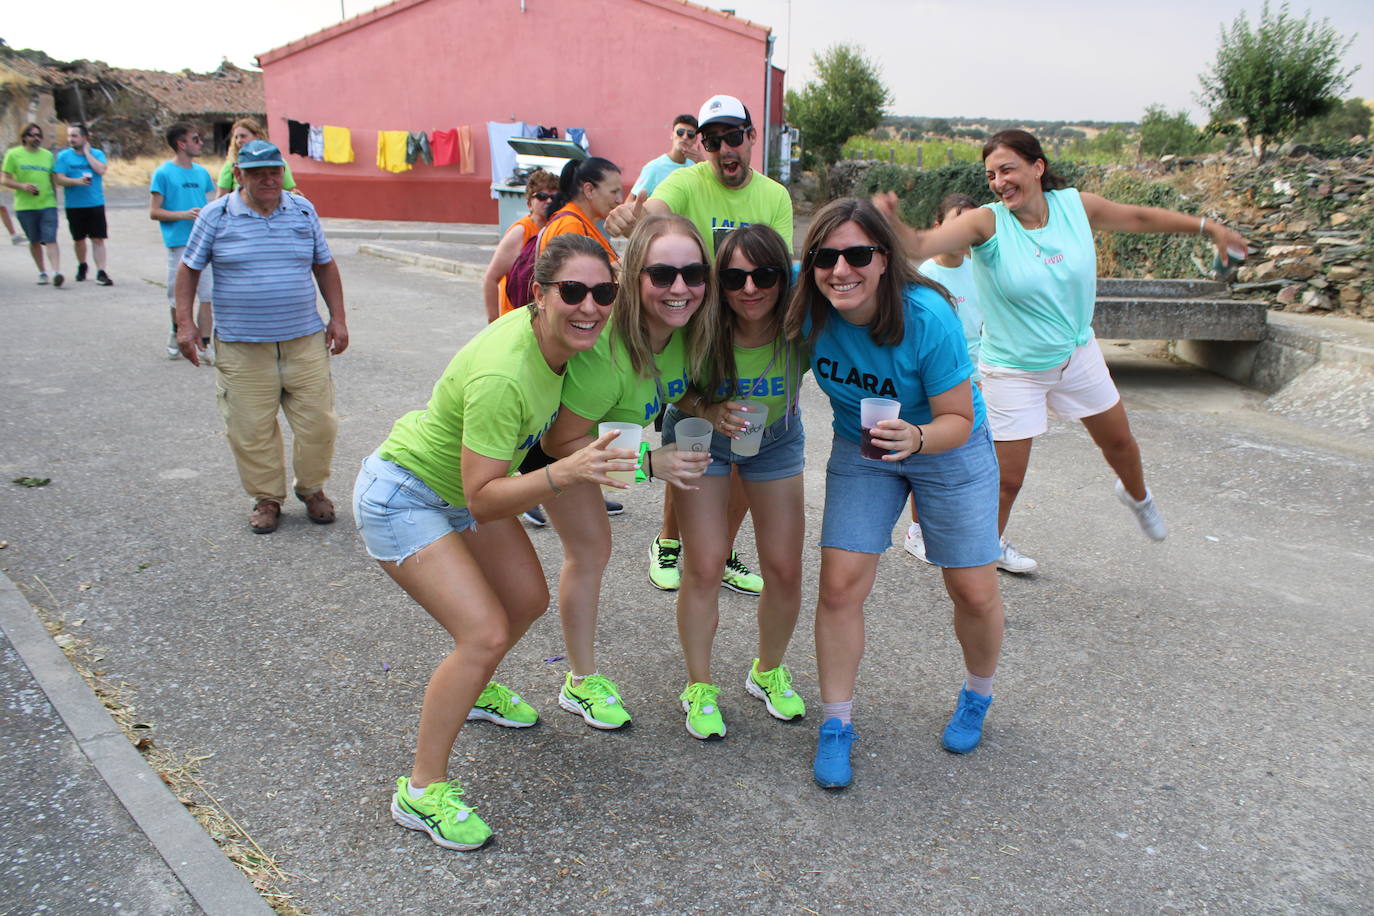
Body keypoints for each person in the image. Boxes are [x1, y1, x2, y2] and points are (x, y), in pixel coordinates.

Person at [354, 235, 636, 851]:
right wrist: (566, 472)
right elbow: (482, 498)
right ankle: (421, 790)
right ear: (538, 293)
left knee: (526, 599)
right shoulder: (507, 374)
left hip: (457, 491)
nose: (590, 306)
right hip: (405, 495)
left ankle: (475, 690)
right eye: (573, 291)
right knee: (481, 633)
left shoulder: (563, 343)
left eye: (603, 292)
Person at [876, 129, 1250, 571]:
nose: (999, 182)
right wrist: (892, 221)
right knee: (1007, 481)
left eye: (1008, 169)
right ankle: (980, 559)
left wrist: (1209, 228)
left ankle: (1138, 497)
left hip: (1076, 354)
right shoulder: (988, 222)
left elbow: (1140, 218)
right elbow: (920, 244)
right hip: (1013, 369)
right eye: (991, 175)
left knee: (1120, 443)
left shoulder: (1076, 206)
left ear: (1038, 167)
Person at [784, 197, 1007, 789]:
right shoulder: (808, 304)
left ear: (884, 258)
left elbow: (958, 417)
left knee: (973, 590)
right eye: (825, 257)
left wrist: (918, 437)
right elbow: (735, 280)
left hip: (946, 443)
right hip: (864, 447)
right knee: (839, 585)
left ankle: (977, 694)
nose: (840, 270)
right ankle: (836, 723)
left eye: (858, 255)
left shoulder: (927, 315)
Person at [606, 93, 792, 598]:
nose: (724, 148)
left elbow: (776, 263)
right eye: (712, 141)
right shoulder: (688, 181)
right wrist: (633, 219)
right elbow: (655, 210)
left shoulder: (774, 196)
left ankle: (720, 549)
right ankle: (669, 541)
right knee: (690, 438)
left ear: (751, 137)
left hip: (746, 334)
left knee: (745, 444)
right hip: (693, 332)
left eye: (733, 136)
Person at [537, 213, 714, 731]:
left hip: (586, 447)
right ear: (634, 276)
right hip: (537, 453)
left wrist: (708, 406)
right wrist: (650, 463)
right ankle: (579, 681)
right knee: (586, 554)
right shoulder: (606, 355)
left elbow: (671, 387)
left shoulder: (682, 331)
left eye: (693, 274)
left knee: (585, 554)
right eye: (662, 274)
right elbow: (559, 442)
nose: (679, 288)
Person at [660, 223, 808, 739]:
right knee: (704, 565)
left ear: (783, 277)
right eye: (733, 278)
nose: (749, 288)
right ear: (716, 281)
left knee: (784, 570)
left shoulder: (801, 325)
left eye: (764, 275)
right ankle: (699, 686)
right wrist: (708, 407)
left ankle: (767, 671)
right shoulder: (697, 323)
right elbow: (669, 387)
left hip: (776, 439)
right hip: (700, 436)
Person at [174, 140, 347, 535]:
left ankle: (312, 489)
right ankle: (267, 498)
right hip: (242, 345)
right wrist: (185, 324)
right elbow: (189, 269)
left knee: (319, 423)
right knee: (250, 428)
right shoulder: (216, 216)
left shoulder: (302, 210)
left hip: (304, 340)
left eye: (274, 172)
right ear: (239, 175)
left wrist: (338, 318)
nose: (268, 179)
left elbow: (324, 265)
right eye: (257, 173)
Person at [517, 157, 625, 527]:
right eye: (614, 191)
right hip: (554, 350)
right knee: (548, 434)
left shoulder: (585, 226)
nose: (619, 199)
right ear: (589, 189)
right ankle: (531, 489)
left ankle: (567, 487)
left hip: (565, 349)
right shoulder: (570, 226)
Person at [906, 192, 983, 565]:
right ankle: (917, 530)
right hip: (942, 380)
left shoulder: (979, 268)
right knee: (930, 455)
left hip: (982, 376)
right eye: (957, 220)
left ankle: (975, 532)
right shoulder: (925, 278)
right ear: (938, 226)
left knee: (973, 459)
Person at [151, 124, 216, 360]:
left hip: (203, 241)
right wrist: (183, 214)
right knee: (178, 295)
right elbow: (154, 212)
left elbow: (209, 205)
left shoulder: (202, 173)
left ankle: (205, 345)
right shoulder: (163, 173)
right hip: (179, 242)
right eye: (195, 139)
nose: (200, 143)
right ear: (181, 144)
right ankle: (177, 330)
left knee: (208, 295)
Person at [2, 123, 84, 287]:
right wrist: (22, 186)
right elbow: (5, 179)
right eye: (32, 135)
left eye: (39, 135)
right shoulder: (13, 154)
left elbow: (53, 179)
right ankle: (42, 272)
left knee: (50, 238)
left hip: (47, 204)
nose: (37, 138)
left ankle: (56, 272)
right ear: (24, 137)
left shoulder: (47, 155)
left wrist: (54, 200)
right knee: (34, 240)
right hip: (25, 206)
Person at [480, 167, 559, 321]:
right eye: (542, 196)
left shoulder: (554, 228)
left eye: (554, 197)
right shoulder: (521, 231)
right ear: (529, 204)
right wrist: (494, 322)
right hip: (515, 318)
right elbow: (491, 278)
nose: (549, 201)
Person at [54, 124, 113, 286]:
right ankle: (82, 264)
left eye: (74, 136)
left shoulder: (97, 154)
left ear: (84, 138)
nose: (71, 139)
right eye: (69, 136)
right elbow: (59, 178)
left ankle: (101, 271)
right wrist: (76, 181)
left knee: (98, 239)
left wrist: (87, 153)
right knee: (79, 239)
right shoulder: (64, 156)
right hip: (74, 205)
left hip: (95, 203)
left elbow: (101, 170)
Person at [216, 118, 297, 198]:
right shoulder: (231, 163)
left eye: (243, 136)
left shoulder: (277, 162)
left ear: (257, 136)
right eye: (236, 137)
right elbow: (221, 196)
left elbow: (290, 192)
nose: (239, 141)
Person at [629, 113, 701, 196]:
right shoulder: (654, 168)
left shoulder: (695, 166)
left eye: (690, 134)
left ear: (696, 139)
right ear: (672, 135)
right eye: (680, 132)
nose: (685, 137)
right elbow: (630, 201)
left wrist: (702, 162)